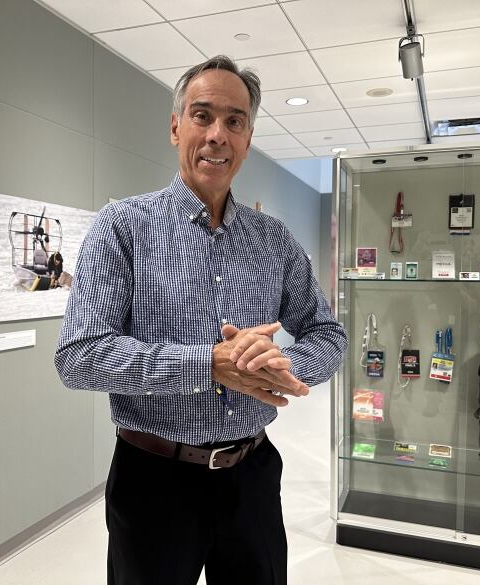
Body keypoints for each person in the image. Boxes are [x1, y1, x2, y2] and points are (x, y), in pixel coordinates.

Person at [55, 55, 347, 585]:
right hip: (153, 483)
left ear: (248, 137)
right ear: (175, 127)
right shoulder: (123, 228)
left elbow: (329, 334)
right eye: (202, 116)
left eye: (234, 121)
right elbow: (78, 357)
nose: (217, 134)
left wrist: (278, 362)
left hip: (252, 477)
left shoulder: (273, 240)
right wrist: (208, 365)